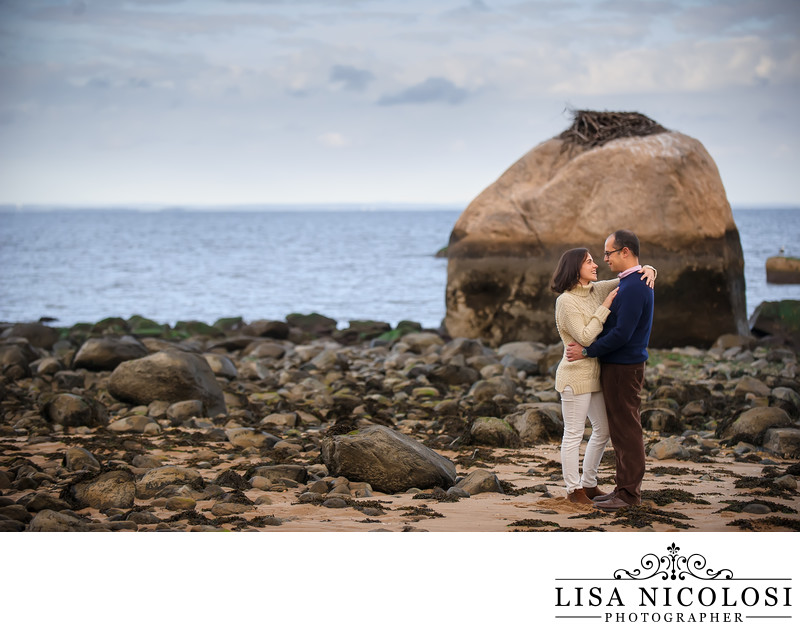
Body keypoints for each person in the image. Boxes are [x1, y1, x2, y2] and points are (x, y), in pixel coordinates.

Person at [551, 247, 656, 505]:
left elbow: (629, 278)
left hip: (594, 374)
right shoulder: (566, 301)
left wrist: (651, 270)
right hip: (574, 375)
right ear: (576, 268)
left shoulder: (595, 289)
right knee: (574, 434)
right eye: (589, 262)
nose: (596, 265)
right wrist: (606, 307)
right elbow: (585, 337)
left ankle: (589, 483)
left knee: (604, 429)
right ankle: (573, 490)